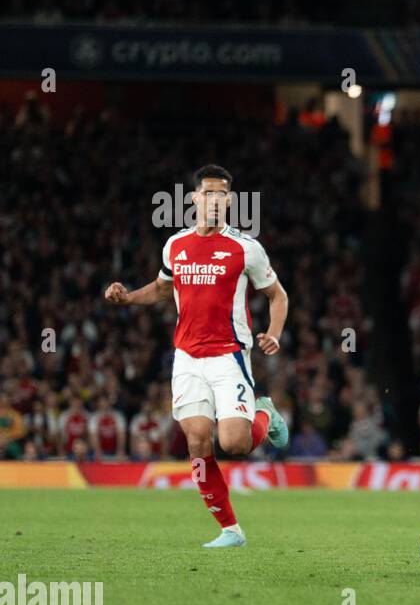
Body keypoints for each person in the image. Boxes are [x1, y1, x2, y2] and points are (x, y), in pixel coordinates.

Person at [104, 164, 289, 548]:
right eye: (208, 193)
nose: (215, 200)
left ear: (231, 201)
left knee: (235, 444)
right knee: (197, 441)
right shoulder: (176, 245)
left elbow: (278, 295)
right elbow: (160, 288)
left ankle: (264, 412)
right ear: (194, 199)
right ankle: (230, 530)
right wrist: (127, 298)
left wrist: (273, 334)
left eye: (223, 194)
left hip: (229, 356)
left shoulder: (245, 248)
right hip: (187, 357)